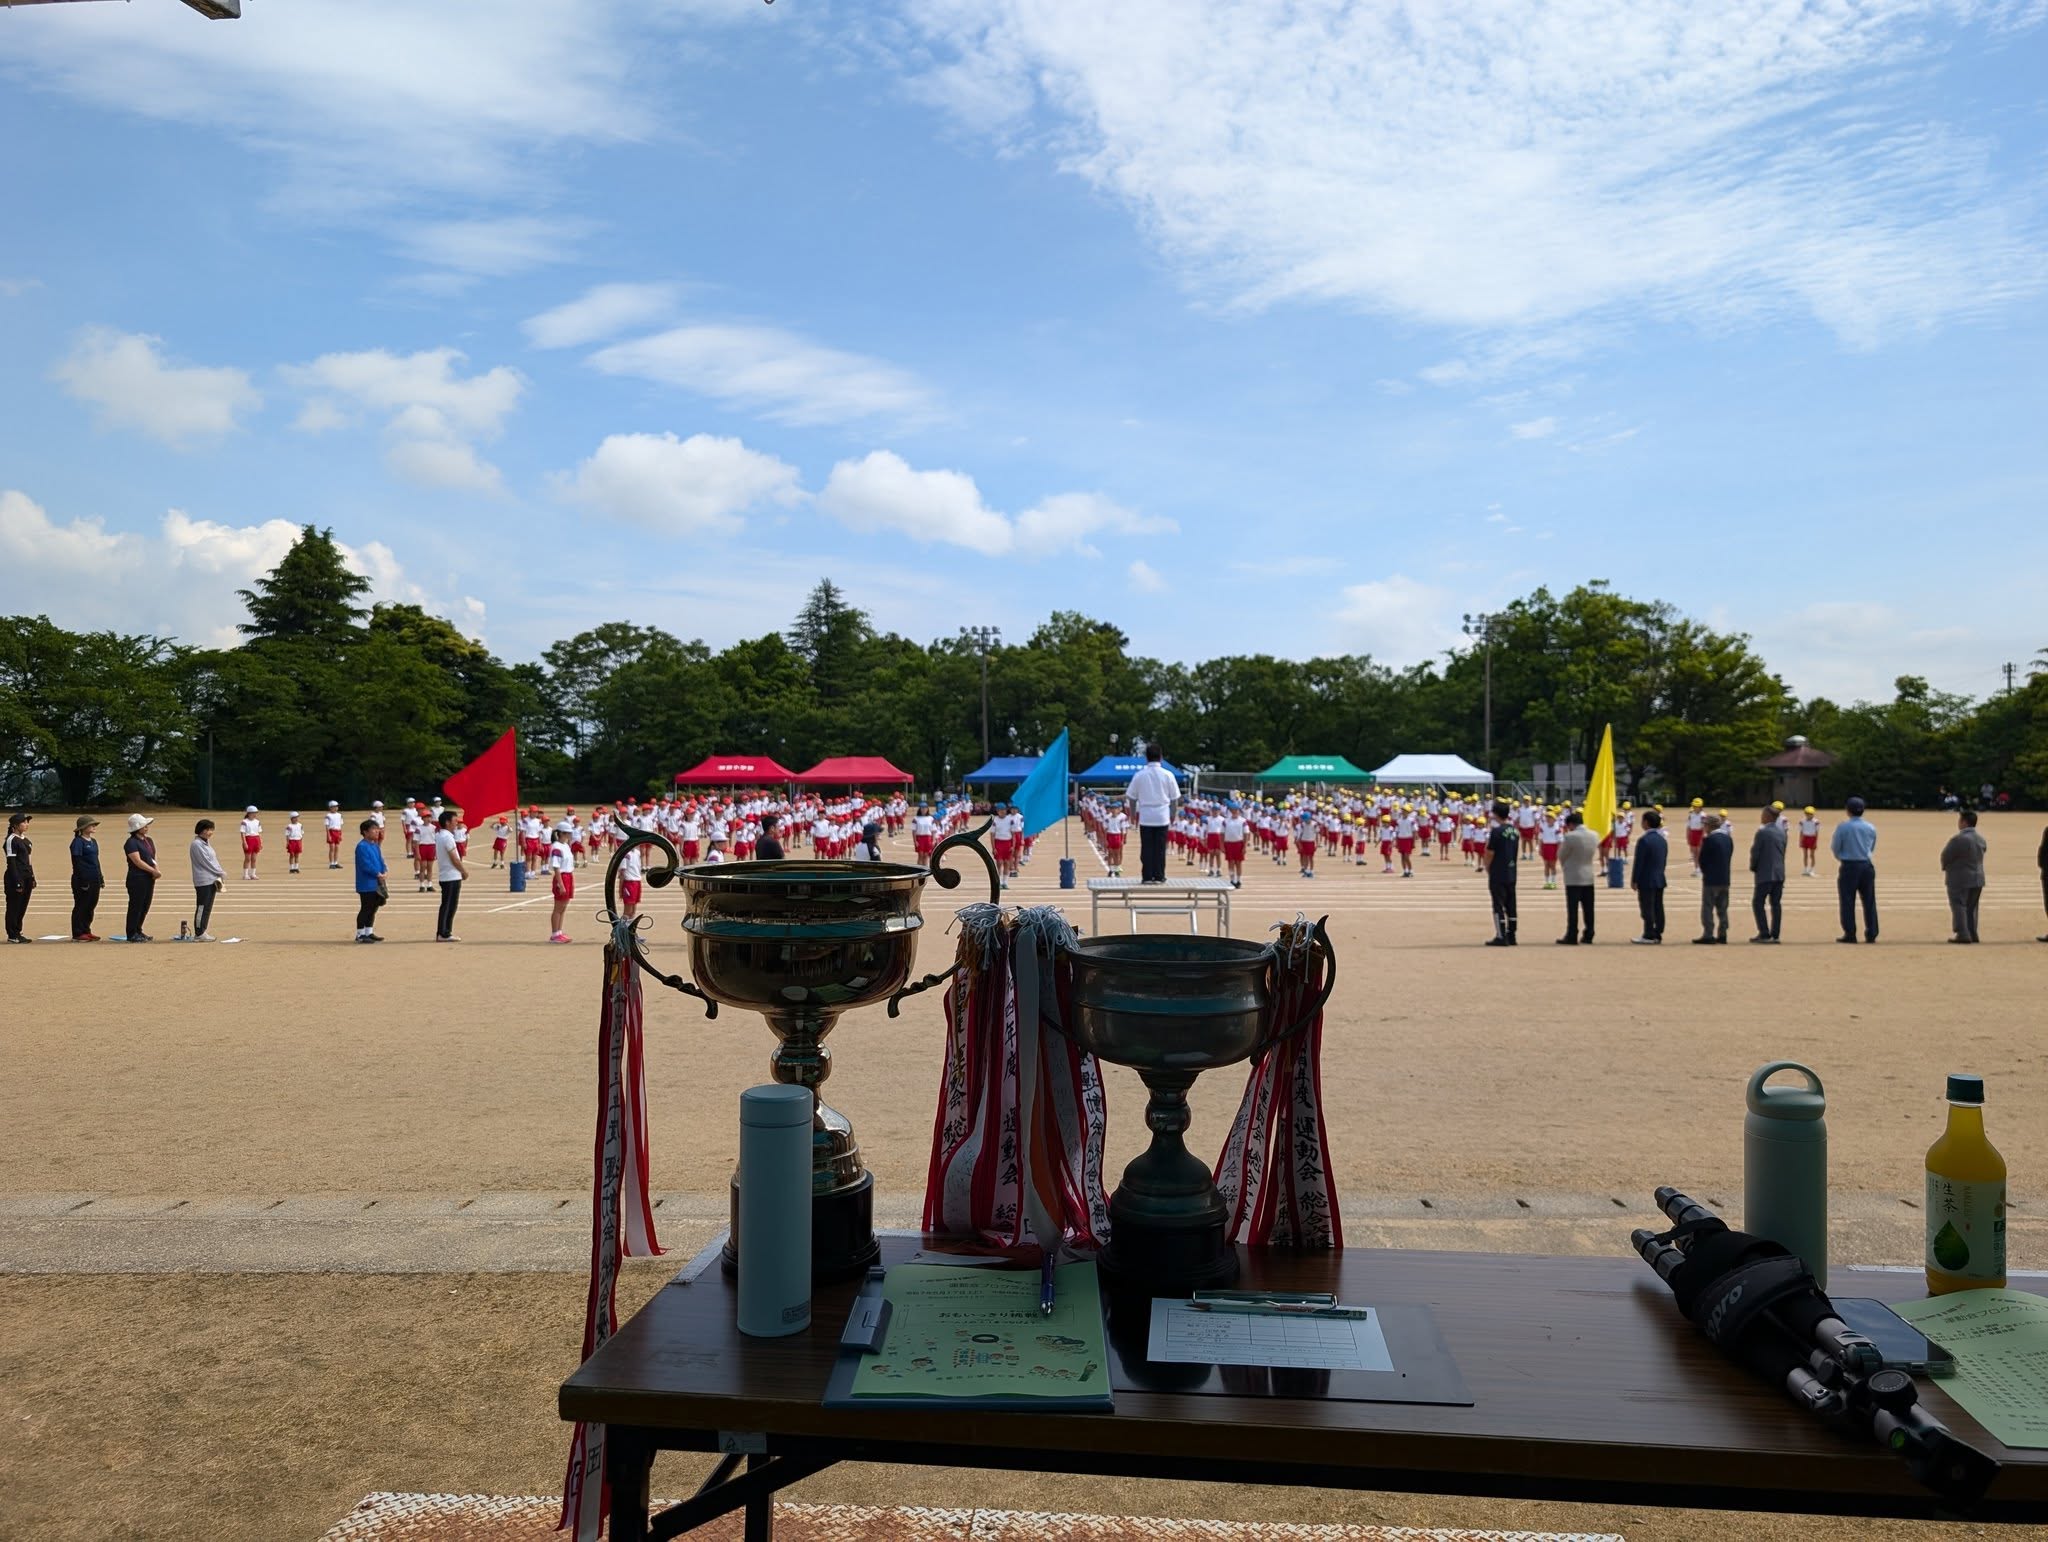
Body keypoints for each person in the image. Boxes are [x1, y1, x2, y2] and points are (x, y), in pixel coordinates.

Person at [1125, 745, 1179, 885]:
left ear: (1146, 758)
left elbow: (1131, 797)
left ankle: (1147, 876)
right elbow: (1174, 799)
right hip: (1162, 815)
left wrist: (1132, 815)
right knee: (1160, 848)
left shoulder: (1140, 775)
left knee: (1147, 847)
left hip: (1146, 815)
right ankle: (1159, 875)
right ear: (1161, 757)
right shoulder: (1168, 775)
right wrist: (1173, 814)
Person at [1830, 796, 1879, 943]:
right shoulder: (1870, 827)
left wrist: (1842, 857)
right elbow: (1872, 846)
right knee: (1869, 900)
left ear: (1848, 810)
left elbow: (1835, 847)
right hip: (1866, 864)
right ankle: (1872, 933)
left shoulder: (1843, 827)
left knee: (1847, 900)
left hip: (1849, 865)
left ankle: (1850, 933)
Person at [1940, 808, 1987, 945]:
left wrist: (1946, 867)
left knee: (1959, 905)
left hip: (1960, 877)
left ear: (1964, 822)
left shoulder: (1958, 839)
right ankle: (1972, 933)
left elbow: (1946, 856)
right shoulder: (1981, 839)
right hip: (1978, 877)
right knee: (1972, 907)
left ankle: (1962, 933)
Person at [1557, 810, 1600, 945]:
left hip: (1573, 875)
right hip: (1588, 873)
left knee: (1573, 908)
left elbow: (1562, 855)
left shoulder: (1570, 837)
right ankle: (1589, 933)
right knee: (1588, 908)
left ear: (1571, 824)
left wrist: (1565, 865)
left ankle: (1572, 934)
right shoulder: (1594, 835)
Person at [1690, 813, 1732, 944]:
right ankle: (1723, 933)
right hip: (1725, 877)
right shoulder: (1727, 839)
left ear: (1709, 826)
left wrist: (1706, 872)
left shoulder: (1709, 840)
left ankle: (1708, 933)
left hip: (1711, 879)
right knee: (1723, 908)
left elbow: (1703, 859)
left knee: (1708, 907)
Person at [1482, 799, 1519, 946]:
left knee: (1498, 904)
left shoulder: (1496, 832)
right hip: (1511, 870)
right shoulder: (1514, 831)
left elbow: (1490, 852)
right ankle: (1512, 934)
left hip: (1498, 871)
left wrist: (1487, 867)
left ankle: (1501, 935)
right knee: (1511, 904)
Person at [1748, 805, 1786, 944]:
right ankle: (1775, 934)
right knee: (1776, 903)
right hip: (1779, 872)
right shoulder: (1782, 832)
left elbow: (1756, 852)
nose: (1761, 817)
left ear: (1768, 816)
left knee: (1758, 902)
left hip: (1765, 872)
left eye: (1763, 815)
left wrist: (1753, 867)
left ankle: (1764, 932)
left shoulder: (1762, 832)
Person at [121, 813, 162, 942]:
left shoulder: (148, 841)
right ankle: (131, 933)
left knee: (145, 905)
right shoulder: (131, 843)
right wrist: (152, 871)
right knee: (136, 905)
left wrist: (156, 870)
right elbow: (137, 861)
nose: (146, 828)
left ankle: (139, 930)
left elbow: (152, 858)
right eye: (144, 826)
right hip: (137, 878)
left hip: (149, 877)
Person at [1631, 808, 1668, 944]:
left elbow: (1639, 862)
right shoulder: (1662, 840)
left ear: (1646, 823)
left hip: (1647, 879)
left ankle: (1648, 933)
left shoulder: (1644, 840)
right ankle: (1658, 932)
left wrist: (1635, 880)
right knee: (1658, 906)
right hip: (1659, 877)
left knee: (1647, 907)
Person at [432, 809, 467, 942]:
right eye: (454, 821)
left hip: (447, 874)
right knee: (449, 905)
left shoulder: (441, 835)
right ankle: (444, 932)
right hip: (451, 875)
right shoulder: (447, 837)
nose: (456, 823)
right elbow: (454, 858)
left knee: (448, 904)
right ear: (447, 823)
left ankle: (445, 931)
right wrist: (463, 871)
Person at [69, 814, 104, 941]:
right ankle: (78, 933)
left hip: (94, 877)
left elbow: (96, 861)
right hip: (82, 879)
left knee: (91, 905)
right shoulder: (78, 842)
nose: (94, 827)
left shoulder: (93, 842)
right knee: (81, 905)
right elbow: (77, 862)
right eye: (91, 825)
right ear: (83, 828)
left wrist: (100, 876)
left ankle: (86, 929)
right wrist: (83, 880)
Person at [189, 819, 226, 941]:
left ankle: (203, 931)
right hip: (203, 880)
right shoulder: (196, 844)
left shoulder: (206, 843)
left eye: (211, 830)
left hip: (212, 879)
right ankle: (199, 933)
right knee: (202, 907)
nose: (210, 832)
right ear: (201, 830)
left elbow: (213, 860)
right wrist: (220, 872)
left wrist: (219, 874)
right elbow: (206, 862)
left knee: (208, 907)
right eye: (207, 829)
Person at [353, 819, 387, 943]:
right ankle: (360, 934)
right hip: (366, 883)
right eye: (374, 829)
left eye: (377, 829)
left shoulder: (375, 845)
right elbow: (365, 864)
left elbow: (380, 860)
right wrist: (377, 873)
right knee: (366, 908)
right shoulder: (361, 846)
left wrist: (384, 871)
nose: (377, 831)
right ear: (365, 832)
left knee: (374, 908)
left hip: (377, 881)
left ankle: (369, 931)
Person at [4, 812, 35, 943]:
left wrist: (32, 876)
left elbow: (28, 860)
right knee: (14, 906)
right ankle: (12, 934)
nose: (26, 824)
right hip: (15, 877)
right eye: (24, 822)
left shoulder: (25, 839)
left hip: (26, 876)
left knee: (22, 906)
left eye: (27, 822)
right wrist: (17, 881)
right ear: (15, 825)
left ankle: (18, 931)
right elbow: (11, 862)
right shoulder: (11, 840)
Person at [546, 824, 576, 943]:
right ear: (562, 833)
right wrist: (561, 884)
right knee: (558, 907)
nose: (570, 835)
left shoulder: (565, 846)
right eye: (568, 833)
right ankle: (554, 933)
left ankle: (559, 931)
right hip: (562, 877)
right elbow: (556, 867)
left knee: (563, 907)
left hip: (568, 876)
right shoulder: (556, 847)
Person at [238, 805, 262, 881]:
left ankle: (253, 874)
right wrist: (244, 842)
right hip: (248, 839)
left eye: (255, 813)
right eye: (253, 813)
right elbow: (243, 833)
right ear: (249, 813)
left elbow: (259, 832)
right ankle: (245, 874)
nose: (255, 814)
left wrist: (260, 842)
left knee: (254, 859)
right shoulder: (244, 822)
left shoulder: (257, 822)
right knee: (247, 858)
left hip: (256, 839)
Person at [1797, 805, 1821, 877]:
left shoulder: (1816, 822)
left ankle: (1812, 869)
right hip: (1805, 838)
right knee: (1805, 855)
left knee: (1812, 855)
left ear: (1813, 814)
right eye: (1807, 813)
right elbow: (1801, 832)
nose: (1809, 815)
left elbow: (1817, 832)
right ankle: (1805, 869)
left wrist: (1815, 842)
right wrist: (1800, 840)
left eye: (1810, 814)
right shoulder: (1802, 821)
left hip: (1812, 838)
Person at [324, 800, 345, 869]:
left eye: (337, 806)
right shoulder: (328, 815)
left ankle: (336, 862)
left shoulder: (339, 815)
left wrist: (340, 834)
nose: (336, 808)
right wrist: (328, 835)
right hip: (331, 832)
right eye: (334, 807)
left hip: (338, 832)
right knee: (332, 848)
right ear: (330, 808)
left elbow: (340, 825)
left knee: (337, 848)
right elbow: (327, 826)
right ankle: (331, 863)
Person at [284, 811, 305, 875]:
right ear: (291, 818)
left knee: (297, 855)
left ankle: (296, 867)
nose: (296, 819)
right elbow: (287, 835)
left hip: (298, 841)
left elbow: (302, 833)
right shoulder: (289, 826)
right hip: (292, 841)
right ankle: (291, 868)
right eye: (294, 818)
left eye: (297, 817)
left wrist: (301, 840)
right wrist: (287, 842)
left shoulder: (300, 825)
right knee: (292, 855)